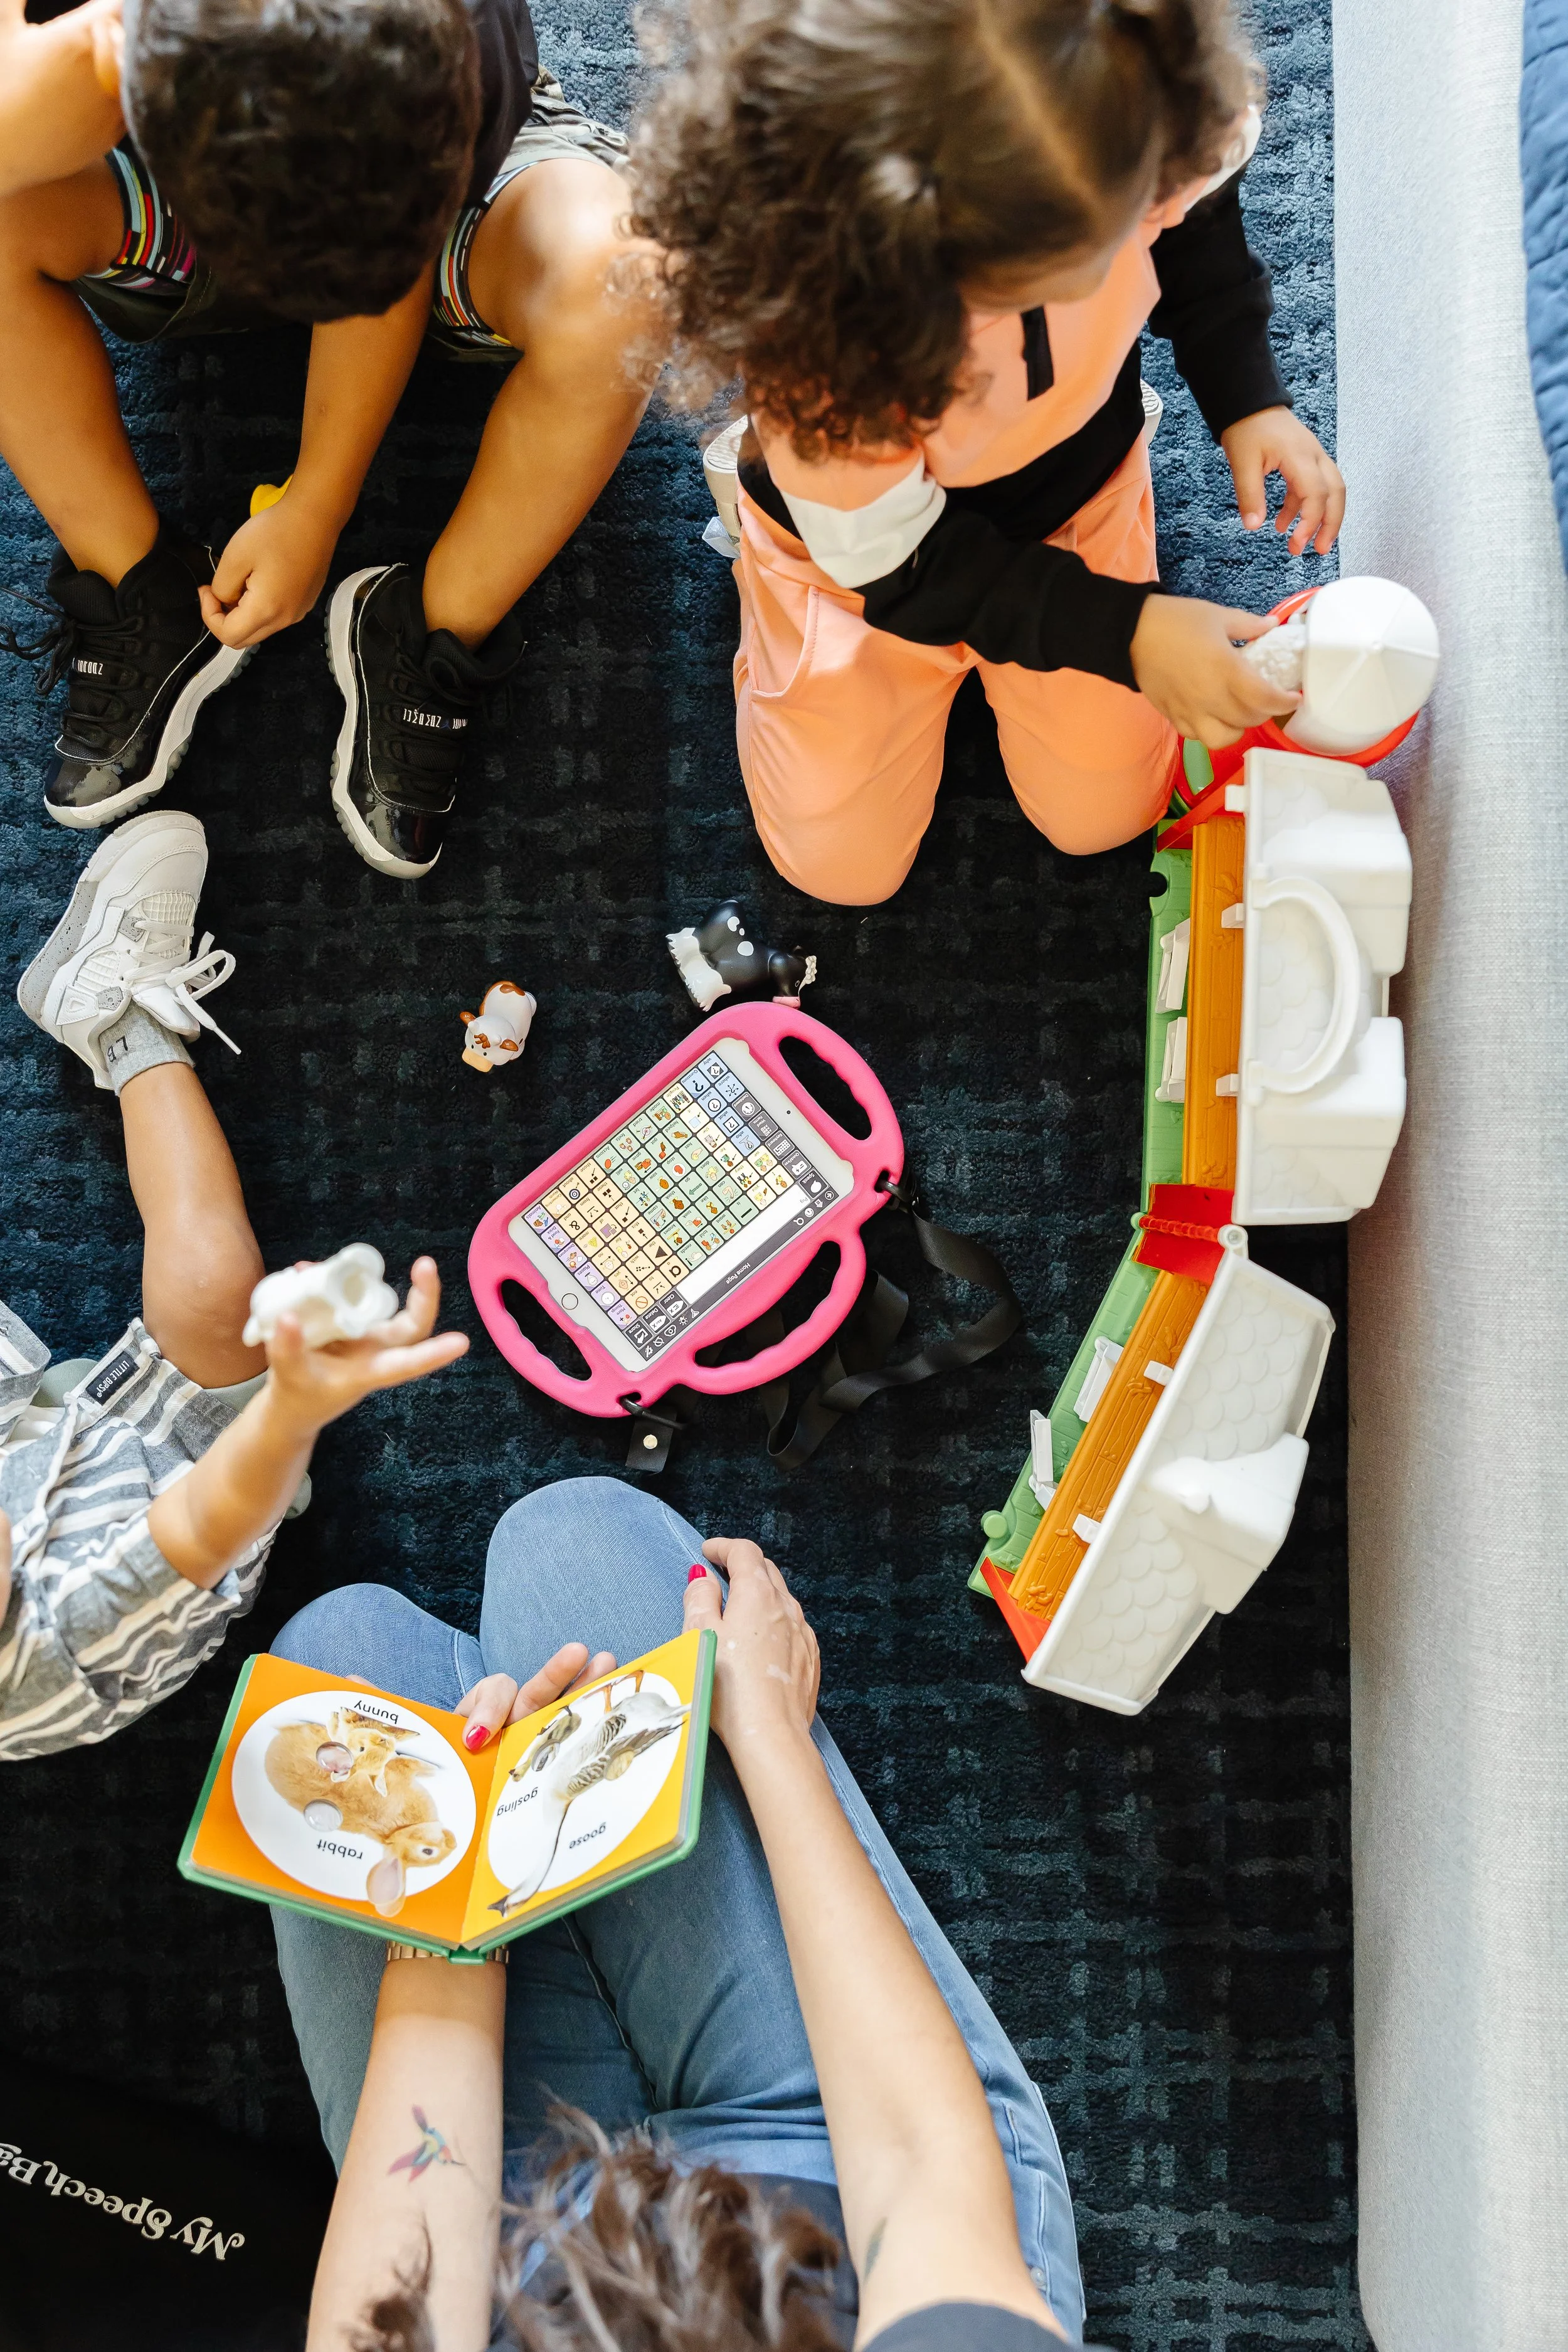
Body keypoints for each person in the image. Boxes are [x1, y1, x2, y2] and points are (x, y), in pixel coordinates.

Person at [268, 1477, 1111, 2349]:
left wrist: (455, 1916)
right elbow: (915, 2165)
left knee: (335, 1657)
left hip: (523, 2283)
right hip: (847, 2215)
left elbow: (386, 2315)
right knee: (572, 1544)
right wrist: (767, 1727)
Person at [627, 0, 1346, 908]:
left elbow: (1199, 225)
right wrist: (1131, 631)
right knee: (839, 871)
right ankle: (772, 562)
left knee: (1108, 815)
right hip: (869, 559)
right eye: (1061, 266)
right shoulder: (828, 335)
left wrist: (1249, 396)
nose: (1122, 260)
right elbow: (904, 565)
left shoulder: (1129, 96)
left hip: (1072, 486)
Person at [0, 0, 657, 879]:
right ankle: (139, 584)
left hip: (419, 159)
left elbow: (383, 255)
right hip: (158, 129)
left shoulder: (439, 63)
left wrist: (318, 500)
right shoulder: (89, 56)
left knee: (624, 287)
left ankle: (429, 624)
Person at [0, 809, 468, 1759]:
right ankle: (117, 1017)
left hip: (29, 1443)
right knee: (218, 1288)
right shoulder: (58, 1648)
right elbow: (204, 1520)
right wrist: (289, 1411)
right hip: (178, 1467)